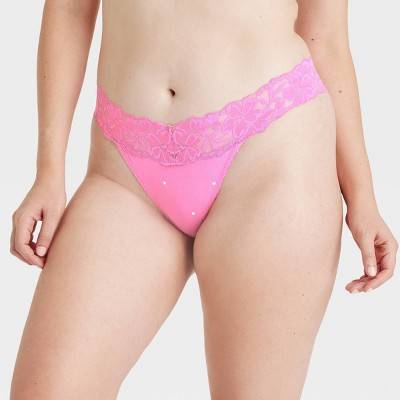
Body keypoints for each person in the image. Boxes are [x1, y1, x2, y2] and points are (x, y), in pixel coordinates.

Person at [9, 1, 398, 399]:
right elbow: (70, 10)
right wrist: (48, 172)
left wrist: (362, 197)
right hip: (124, 172)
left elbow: (324, 37)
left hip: (270, 154)